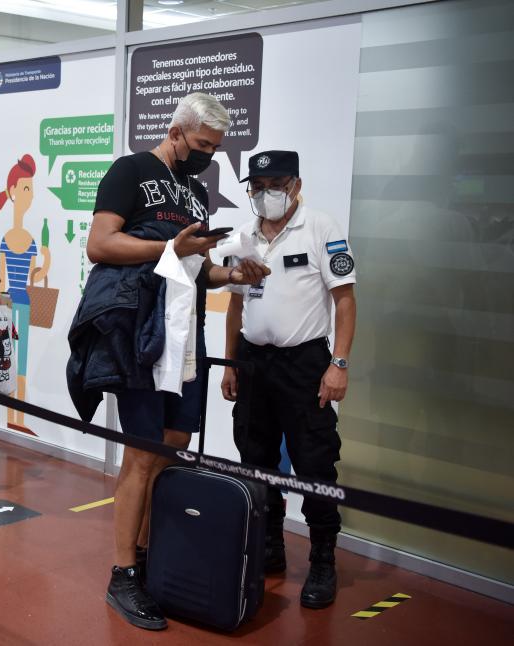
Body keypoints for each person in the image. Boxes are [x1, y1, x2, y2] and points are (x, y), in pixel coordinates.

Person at [66, 93, 268, 631]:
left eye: (215, 148)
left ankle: (147, 549)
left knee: (174, 442)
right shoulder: (130, 170)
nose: (208, 156)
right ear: (176, 132)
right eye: (202, 145)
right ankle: (123, 573)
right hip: (138, 330)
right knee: (142, 451)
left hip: (186, 331)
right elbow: (100, 245)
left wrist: (232, 275)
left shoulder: (195, 190)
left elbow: (198, 267)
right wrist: (167, 250)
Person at [221, 150, 357, 610]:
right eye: (257, 187)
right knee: (255, 458)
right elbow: (235, 306)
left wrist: (339, 364)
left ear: (295, 186)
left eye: (275, 185)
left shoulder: (320, 227)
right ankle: (270, 546)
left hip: (305, 365)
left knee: (315, 461)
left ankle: (322, 560)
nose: (266, 194)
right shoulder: (244, 237)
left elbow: (345, 300)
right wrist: (231, 364)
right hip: (254, 363)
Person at [0, 154, 50, 433]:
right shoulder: (11, 239)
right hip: (15, 304)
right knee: (11, 361)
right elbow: (5, 278)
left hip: (20, 303)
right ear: (14, 191)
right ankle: (13, 418)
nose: (30, 195)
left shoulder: (27, 239)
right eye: (27, 189)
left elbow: (31, 276)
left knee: (18, 361)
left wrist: (46, 261)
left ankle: (18, 419)